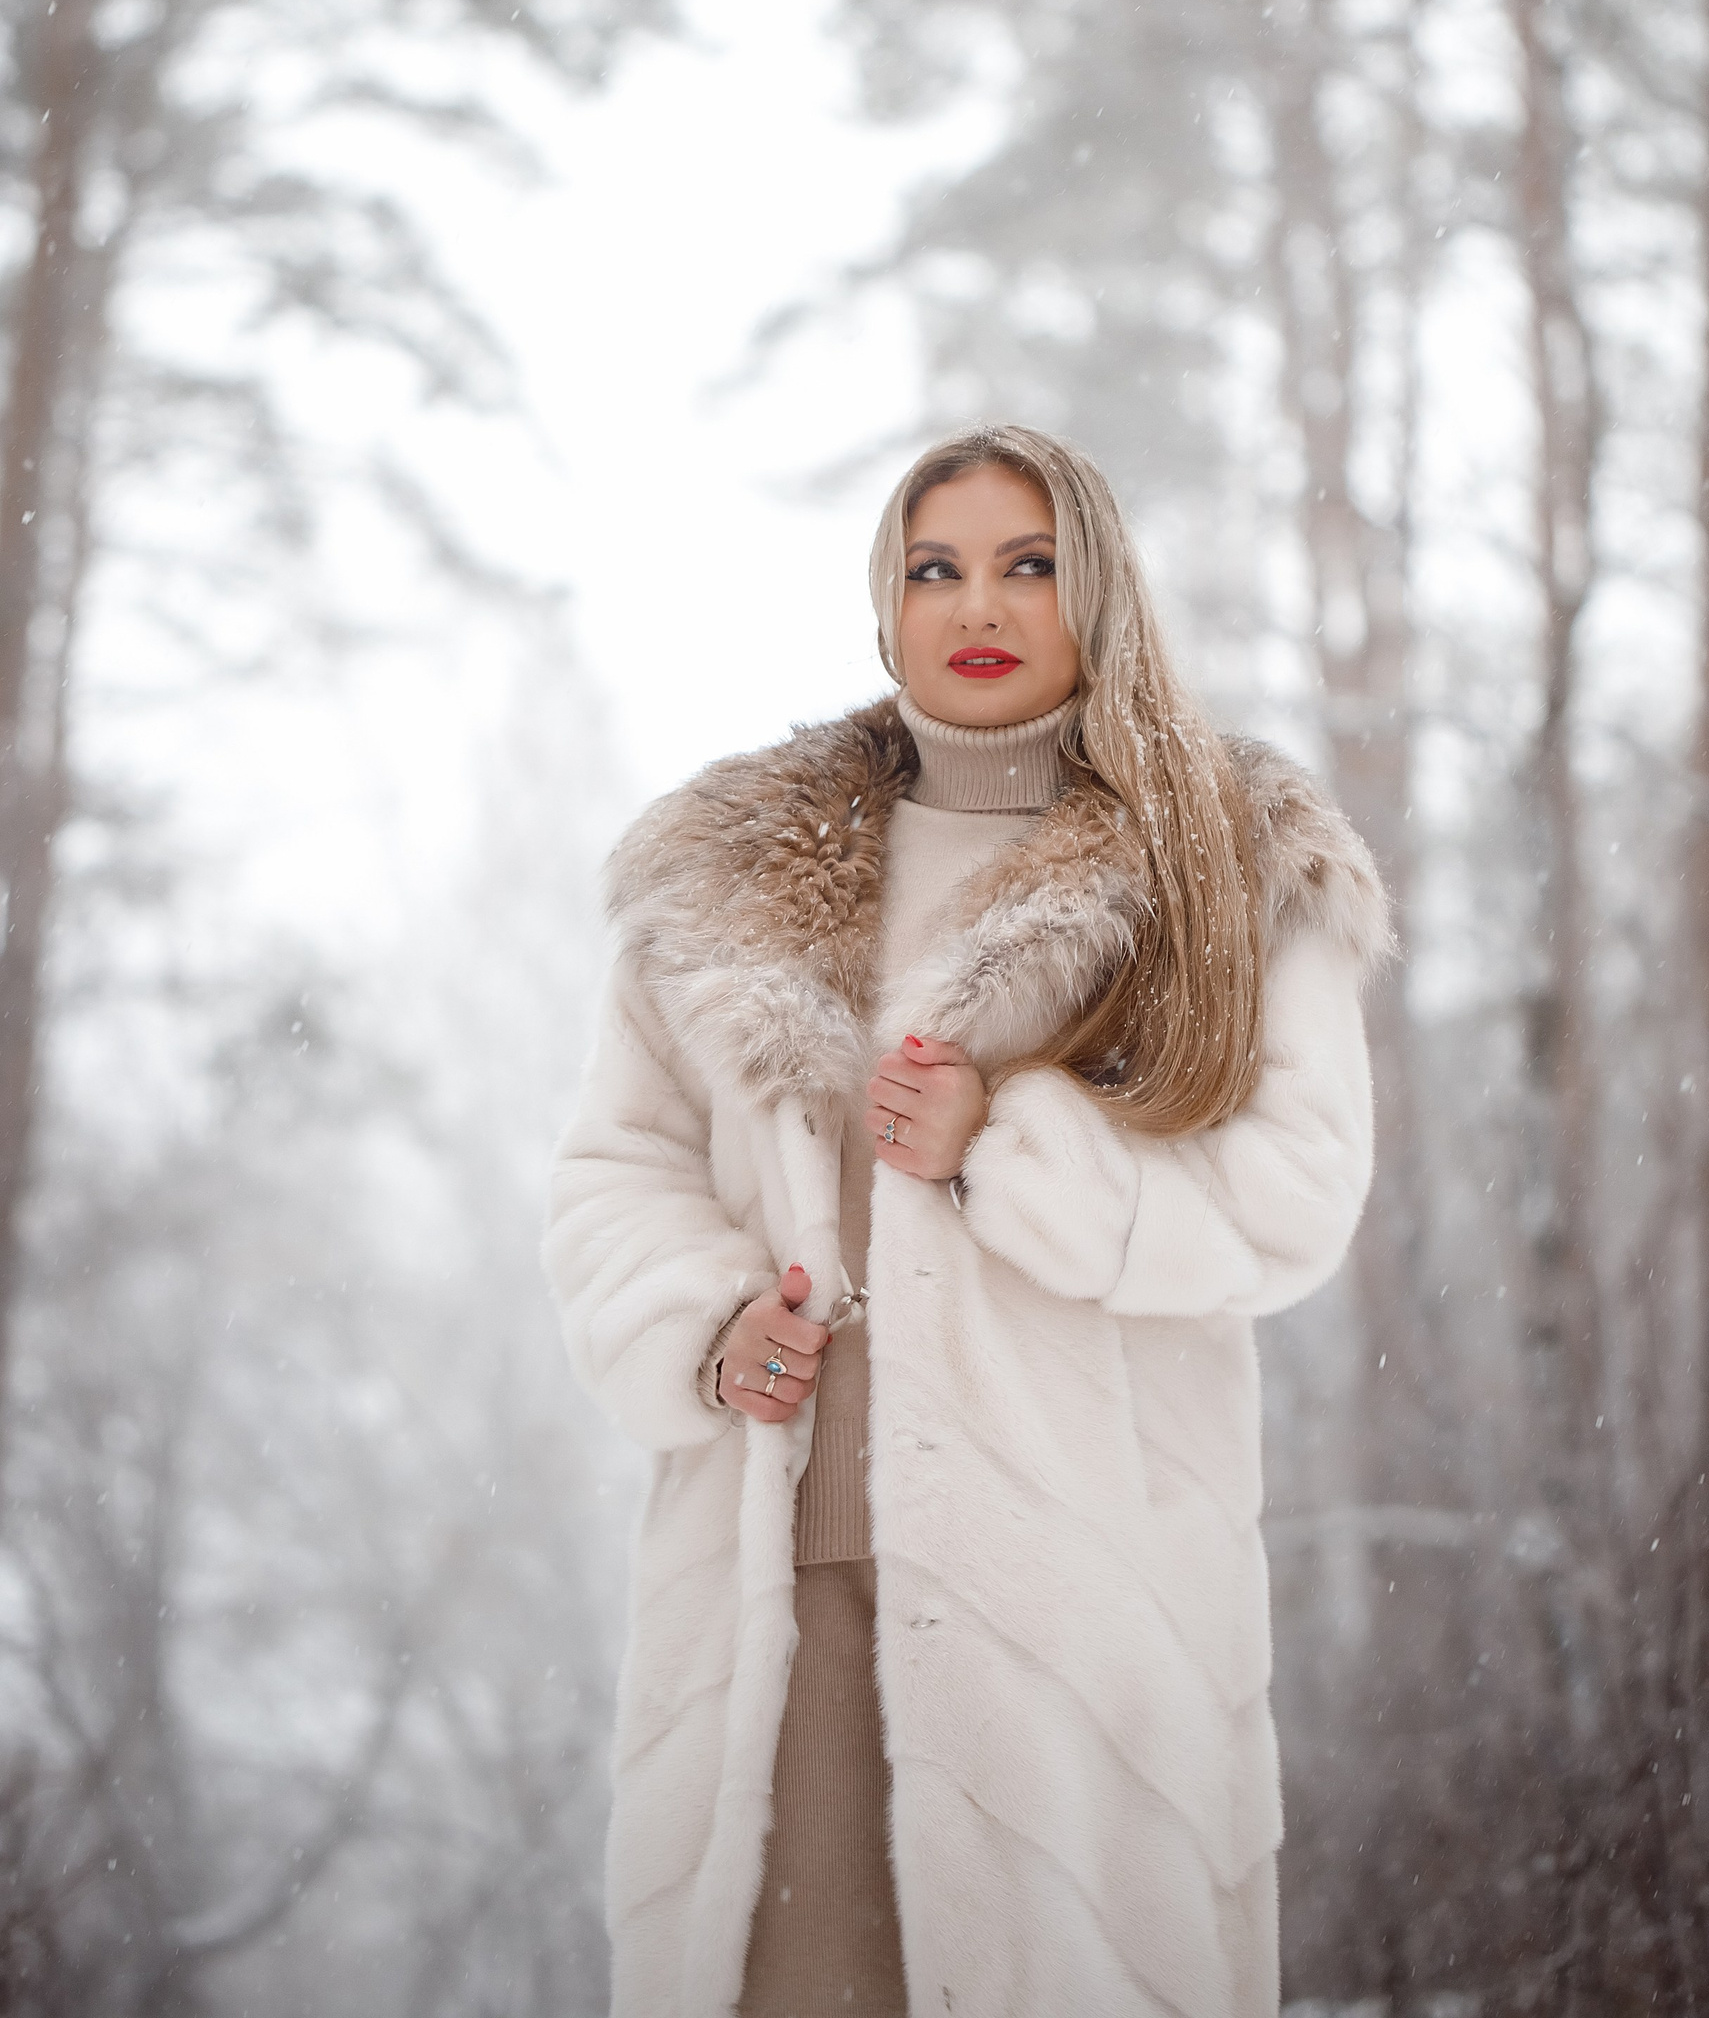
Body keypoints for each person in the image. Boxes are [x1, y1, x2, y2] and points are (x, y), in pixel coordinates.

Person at [545, 423, 1388, 2018]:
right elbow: (615, 1170)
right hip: (775, 1596)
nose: (978, 604)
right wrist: (707, 1326)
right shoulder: (718, 883)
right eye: (935, 569)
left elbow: (1296, 1191)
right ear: (887, 609)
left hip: (1076, 1599)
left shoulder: (1226, 860)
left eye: (1028, 564)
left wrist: (1012, 1143)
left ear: (1099, 593)